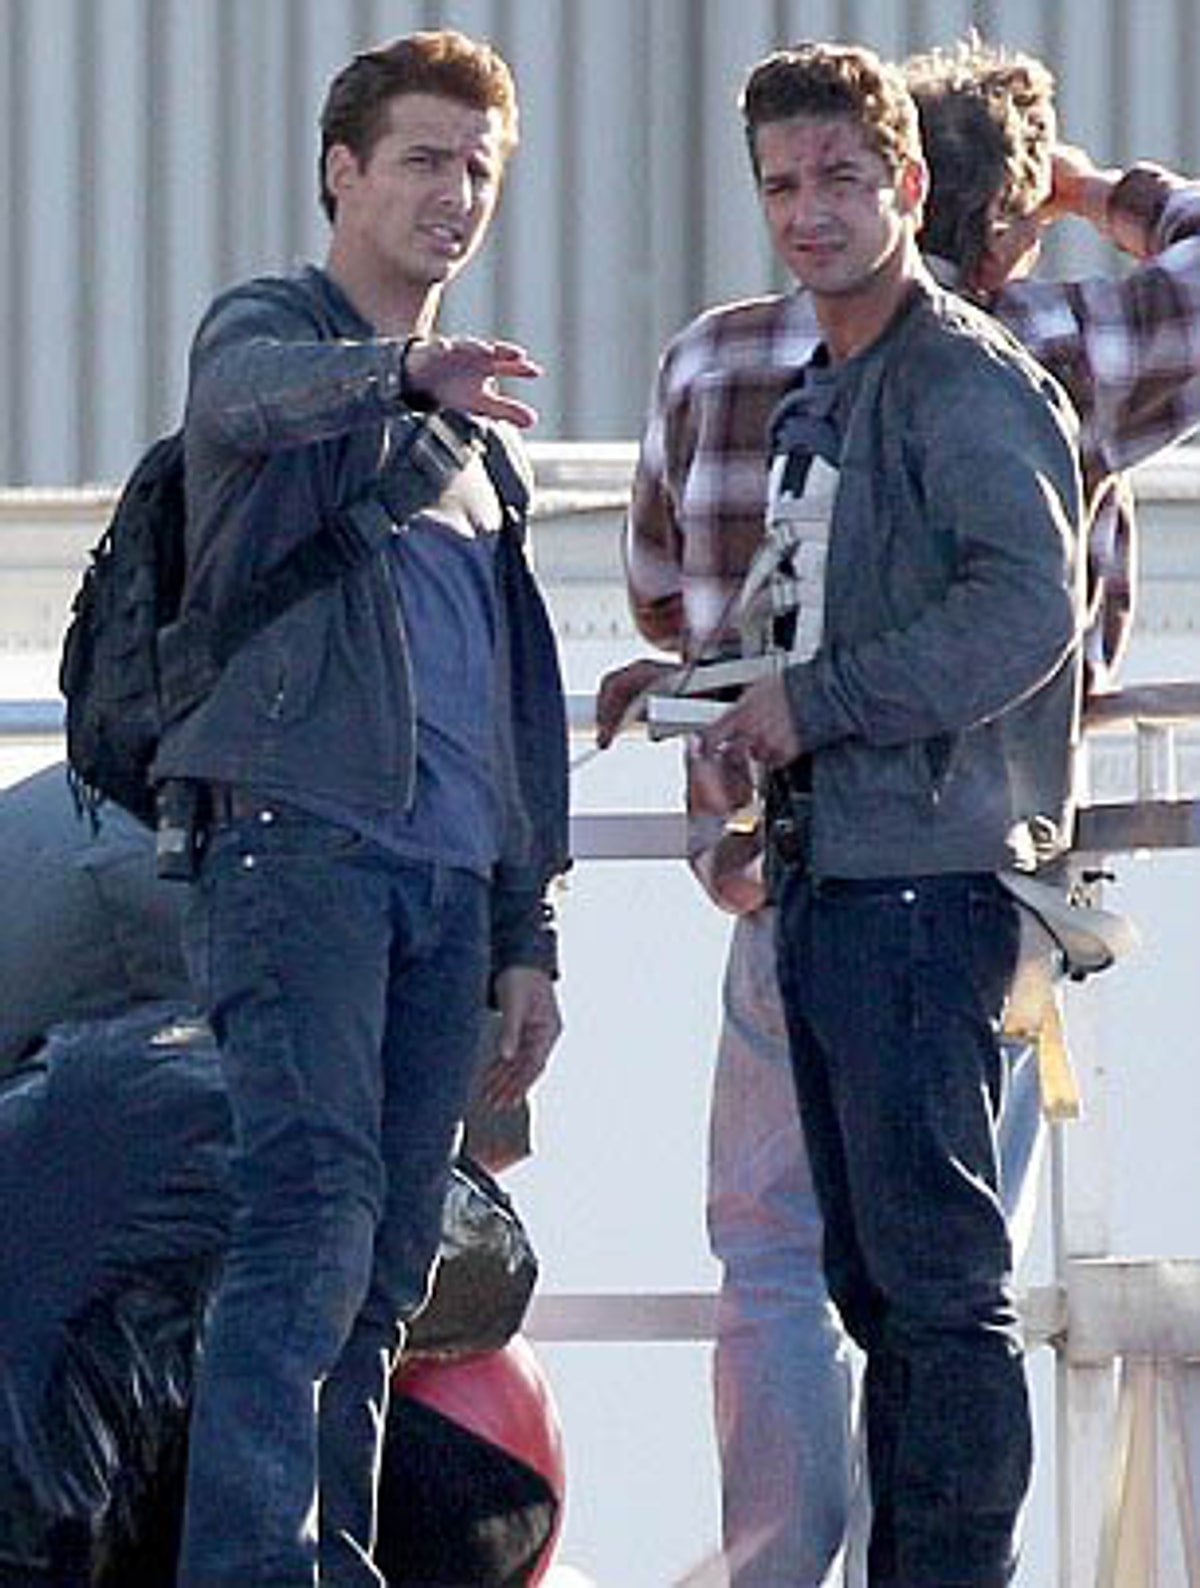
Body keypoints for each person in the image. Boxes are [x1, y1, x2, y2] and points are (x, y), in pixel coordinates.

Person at [598, 34, 1200, 1586]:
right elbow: (847, 610)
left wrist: (806, 702)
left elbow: (1019, 609)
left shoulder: (944, 375)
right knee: (905, 1281)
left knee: (893, 1286)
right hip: (860, 878)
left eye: (841, 179)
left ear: (910, 188)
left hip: (911, 886)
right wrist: (701, 687)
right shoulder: (859, 374)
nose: (809, 211)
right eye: (784, 184)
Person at [149, 30, 569, 1588]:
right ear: (343, 171)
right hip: (300, 852)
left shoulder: (483, 450)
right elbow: (241, 398)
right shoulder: (278, 330)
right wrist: (395, 372)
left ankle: (329, 1564)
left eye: (478, 168)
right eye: (421, 159)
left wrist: (526, 936)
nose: (454, 193)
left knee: (391, 1266)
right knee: (309, 1229)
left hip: (446, 889)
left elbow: (510, 710)